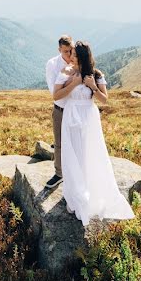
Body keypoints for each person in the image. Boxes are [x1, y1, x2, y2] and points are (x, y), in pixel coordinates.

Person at [52, 40, 135, 227]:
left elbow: (104, 100)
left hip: (89, 118)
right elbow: (56, 96)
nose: (70, 57)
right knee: (73, 155)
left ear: (81, 56)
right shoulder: (66, 72)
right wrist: (73, 84)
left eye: (73, 54)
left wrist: (93, 86)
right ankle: (75, 194)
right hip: (72, 117)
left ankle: (91, 191)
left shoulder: (96, 74)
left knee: (90, 154)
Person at [44, 35, 81, 189]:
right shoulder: (52, 64)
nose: (69, 54)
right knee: (59, 144)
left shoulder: (78, 61)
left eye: (71, 50)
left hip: (77, 110)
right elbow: (55, 93)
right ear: (59, 50)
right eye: (66, 51)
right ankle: (59, 174)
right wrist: (72, 81)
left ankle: (77, 174)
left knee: (77, 143)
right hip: (61, 109)